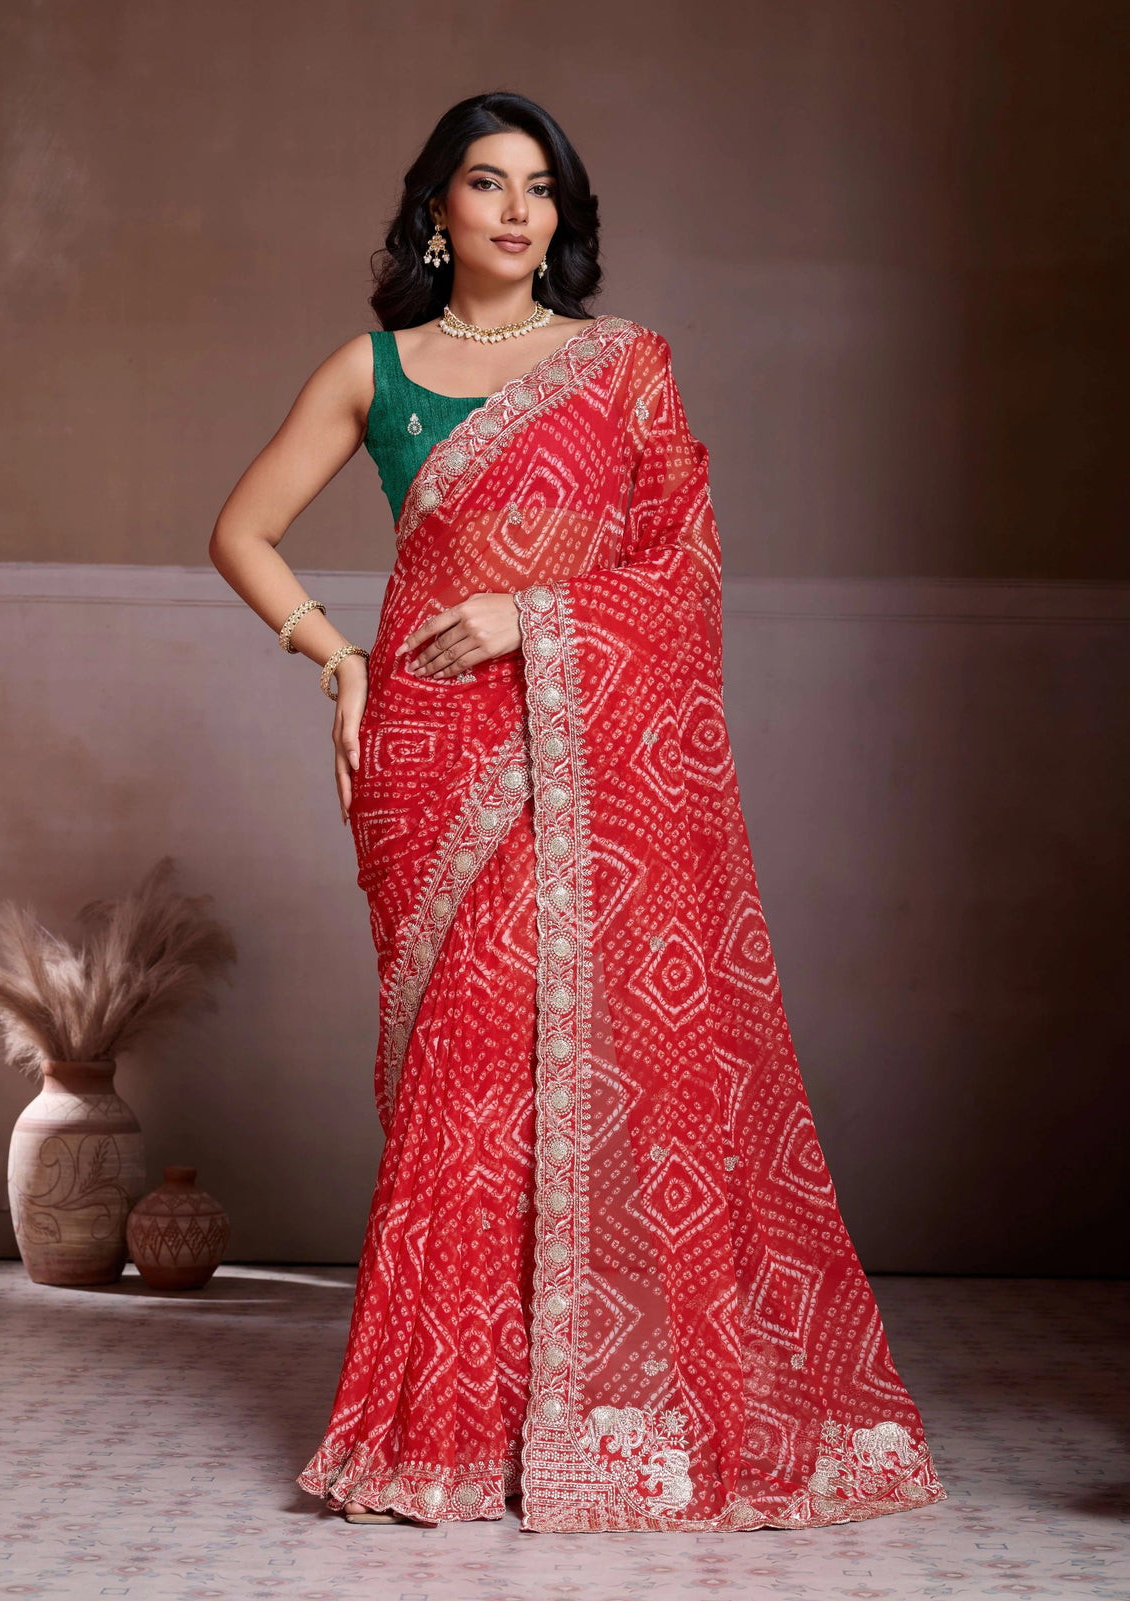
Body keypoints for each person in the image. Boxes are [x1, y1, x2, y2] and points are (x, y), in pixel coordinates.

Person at [209, 91, 948, 1534]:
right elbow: (241, 529)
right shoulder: (374, 372)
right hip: (433, 762)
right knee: (465, 1090)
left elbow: (687, 568)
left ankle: (605, 1417)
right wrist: (337, 654)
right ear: (436, 208)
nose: (513, 211)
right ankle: (452, 1428)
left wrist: (530, 613)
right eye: (484, 184)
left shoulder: (624, 371)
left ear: (564, 218)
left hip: (586, 758)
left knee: (592, 1069)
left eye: (539, 189)